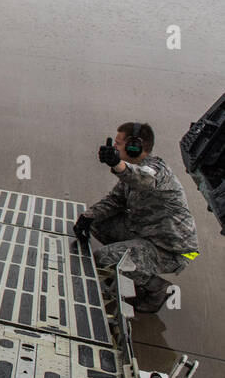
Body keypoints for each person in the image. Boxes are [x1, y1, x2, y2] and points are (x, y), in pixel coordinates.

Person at [73, 122, 200, 313]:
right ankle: (130, 261)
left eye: (118, 143)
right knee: (97, 221)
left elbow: (143, 179)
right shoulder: (134, 170)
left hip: (172, 249)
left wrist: (117, 164)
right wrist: (87, 217)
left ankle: (157, 288)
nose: (114, 147)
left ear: (134, 146)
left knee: (103, 258)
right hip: (147, 233)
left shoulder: (156, 171)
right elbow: (116, 200)